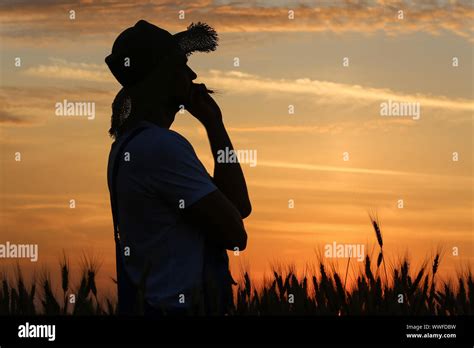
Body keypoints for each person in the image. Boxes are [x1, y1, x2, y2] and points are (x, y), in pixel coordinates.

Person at [105, 20, 251, 316]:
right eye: (183, 65)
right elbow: (236, 234)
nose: (193, 74)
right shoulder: (161, 147)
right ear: (163, 76)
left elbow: (238, 206)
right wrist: (214, 125)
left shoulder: (129, 146)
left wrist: (214, 124)